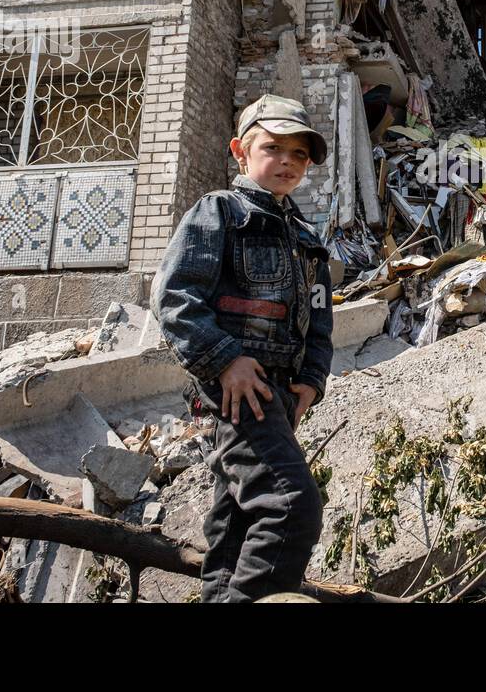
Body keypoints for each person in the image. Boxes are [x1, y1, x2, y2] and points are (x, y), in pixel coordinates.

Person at [151, 94, 333, 602]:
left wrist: (311, 383)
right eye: (274, 148)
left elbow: (319, 320)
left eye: (300, 155)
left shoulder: (306, 237)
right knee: (290, 507)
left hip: (276, 393)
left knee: (234, 527)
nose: (288, 162)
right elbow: (174, 297)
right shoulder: (221, 213)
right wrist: (226, 360)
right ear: (240, 152)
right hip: (234, 392)